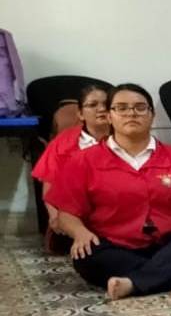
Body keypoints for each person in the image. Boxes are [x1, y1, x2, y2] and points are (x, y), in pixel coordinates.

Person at [47, 83, 171, 300]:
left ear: (152, 115)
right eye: (121, 108)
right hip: (116, 246)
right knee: (86, 255)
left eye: (140, 107)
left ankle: (133, 283)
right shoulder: (82, 161)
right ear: (109, 116)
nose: (131, 113)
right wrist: (79, 232)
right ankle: (169, 273)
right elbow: (66, 214)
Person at [33, 80, 113, 236]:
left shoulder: (126, 138)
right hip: (73, 214)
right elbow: (50, 183)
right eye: (93, 105)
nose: (101, 109)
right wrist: (54, 215)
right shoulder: (63, 141)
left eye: (106, 104)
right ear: (80, 114)